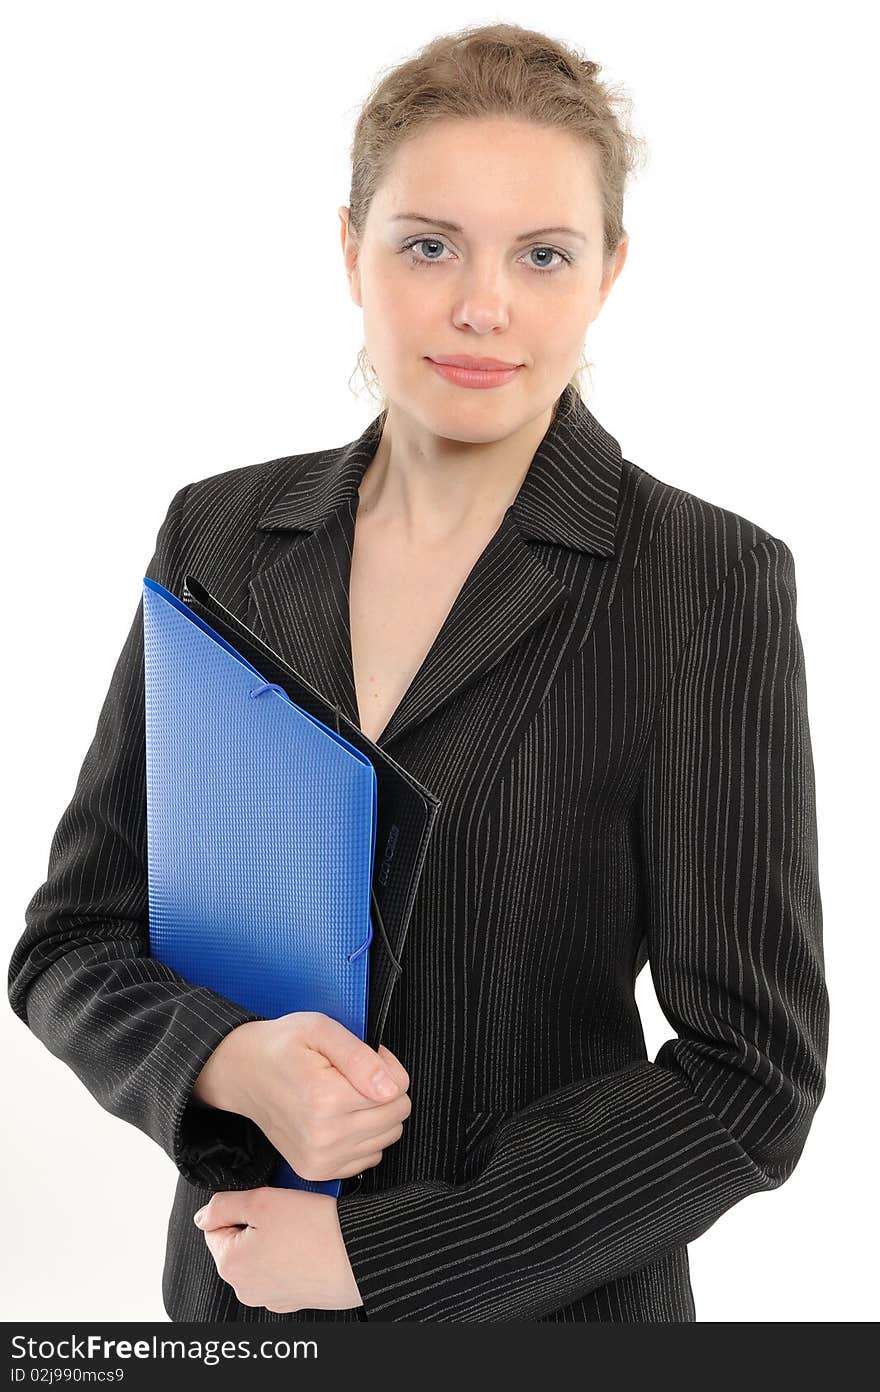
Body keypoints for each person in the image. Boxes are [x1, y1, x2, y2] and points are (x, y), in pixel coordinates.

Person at [7, 21, 829, 1323]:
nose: (481, 304)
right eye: (428, 243)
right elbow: (72, 942)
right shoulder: (218, 535)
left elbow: (752, 1076)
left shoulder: (703, 581)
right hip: (236, 1314)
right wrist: (225, 1061)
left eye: (543, 253)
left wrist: (384, 1259)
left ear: (609, 272)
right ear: (352, 249)